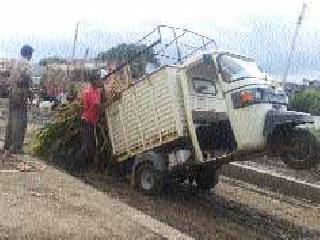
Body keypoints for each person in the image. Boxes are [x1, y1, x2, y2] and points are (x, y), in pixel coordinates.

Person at [4, 45, 33, 154]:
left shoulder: (15, 62)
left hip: (13, 91)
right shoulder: (26, 63)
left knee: (11, 118)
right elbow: (27, 78)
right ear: (29, 54)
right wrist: (30, 90)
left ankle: (7, 144)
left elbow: (10, 77)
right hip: (21, 92)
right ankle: (16, 147)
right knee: (20, 120)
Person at [72, 71, 102, 171]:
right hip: (87, 121)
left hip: (91, 121)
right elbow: (98, 106)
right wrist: (113, 101)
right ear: (93, 81)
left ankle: (82, 166)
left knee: (90, 145)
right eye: (98, 79)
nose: (100, 81)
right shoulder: (90, 92)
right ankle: (75, 166)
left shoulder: (96, 91)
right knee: (87, 145)